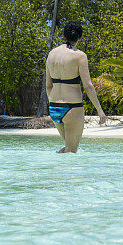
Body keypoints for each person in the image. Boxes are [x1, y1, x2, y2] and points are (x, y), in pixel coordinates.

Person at [45, 21, 107, 153]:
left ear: (64, 35)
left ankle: (53, 171)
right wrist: (100, 110)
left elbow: (48, 86)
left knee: (68, 149)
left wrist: (53, 102)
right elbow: (88, 86)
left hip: (54, 108)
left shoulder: (51, 54)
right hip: (72, 108)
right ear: (79, 37)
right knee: (71, 151)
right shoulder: (80, 56)